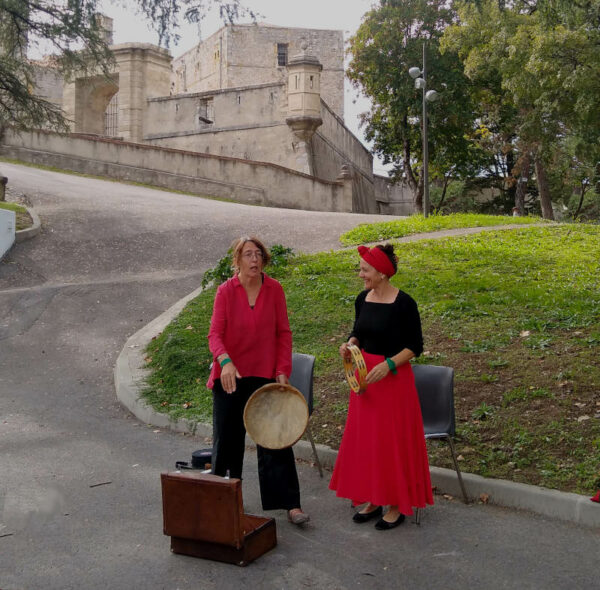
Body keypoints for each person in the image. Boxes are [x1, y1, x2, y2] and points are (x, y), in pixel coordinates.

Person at [329, 243, 433, 530]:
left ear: (382, 273)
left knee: (391, 443)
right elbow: (358, 332)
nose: (360, 274)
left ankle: (397, 504)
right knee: (369, 442)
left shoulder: (404, 304)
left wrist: (388, 366)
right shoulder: (363, 299)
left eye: (365, 269)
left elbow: (415, 346)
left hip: (393, 381)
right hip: (365, 381)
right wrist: (350, 345)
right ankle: (374, 499)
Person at [207, 235, 309, 525]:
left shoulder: (274, 289)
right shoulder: (226, 292)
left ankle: (290, 503)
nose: (254, 260)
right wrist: (224, 362)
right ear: (237, 261)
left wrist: (282, 369)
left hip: (264, 374)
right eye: (248, 255)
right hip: (231, 377)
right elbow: (214, 334)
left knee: (275, 439)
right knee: (227, 442)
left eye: (258, 254)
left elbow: (283, 333)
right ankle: (226, 501)